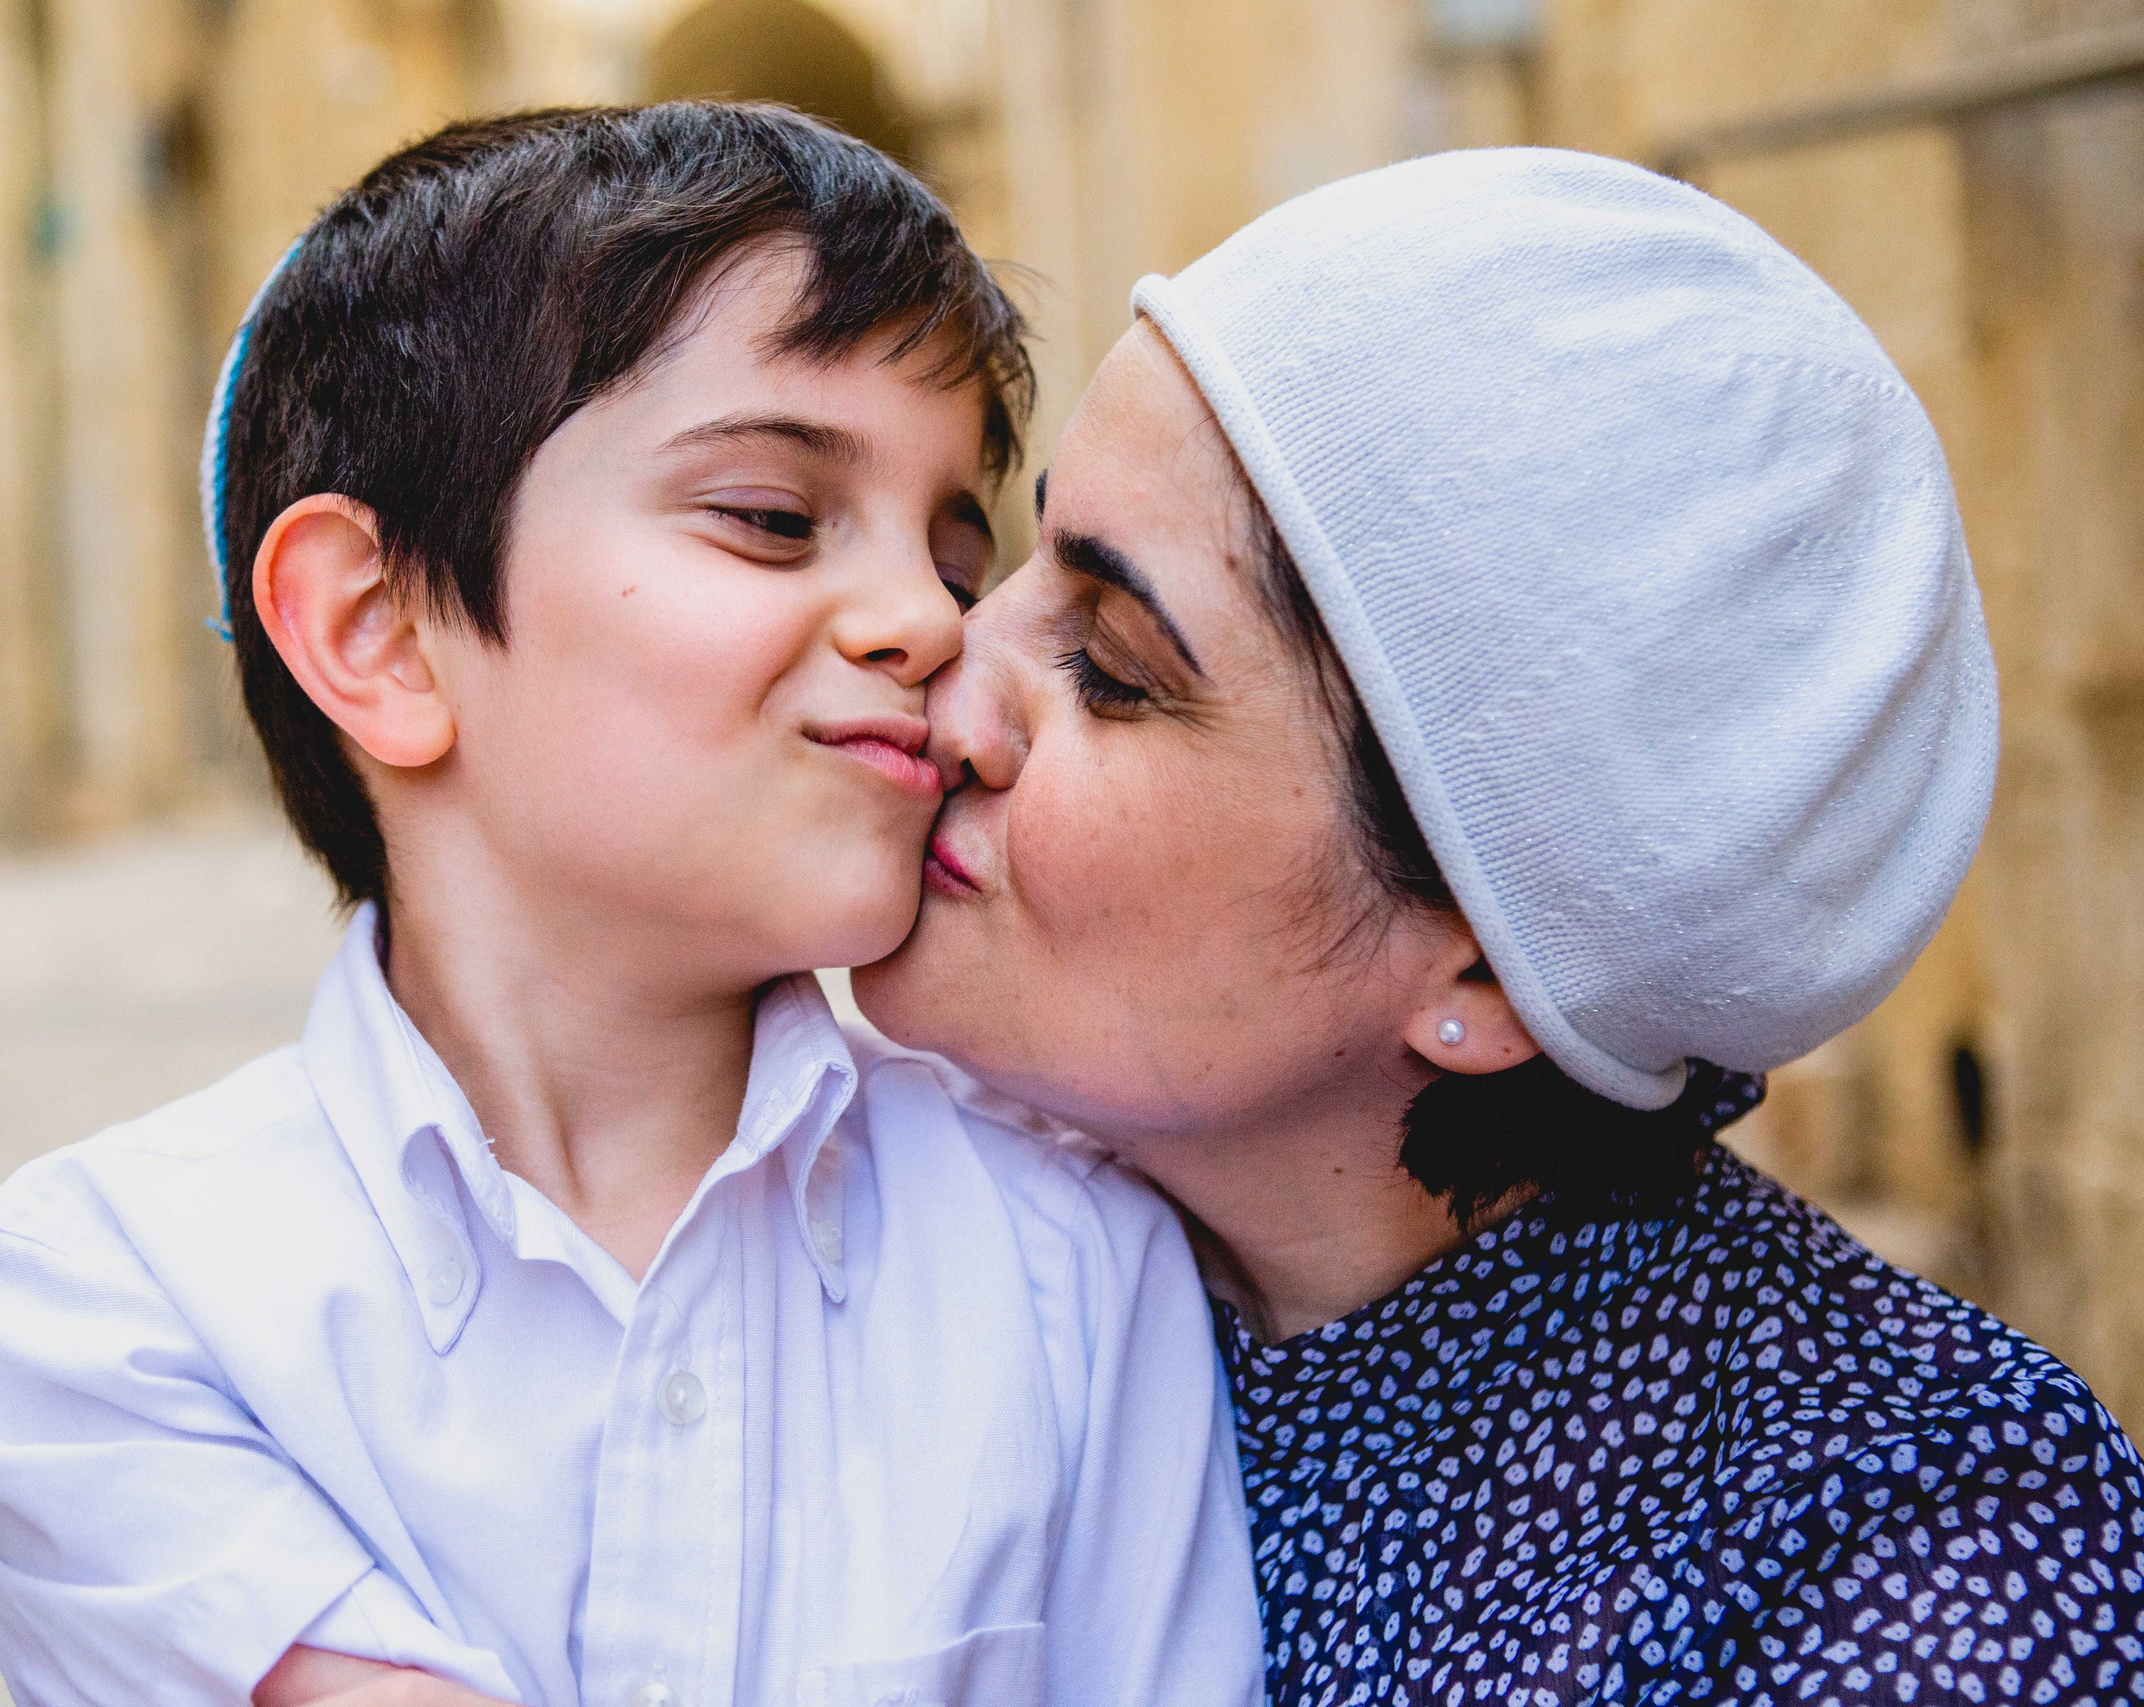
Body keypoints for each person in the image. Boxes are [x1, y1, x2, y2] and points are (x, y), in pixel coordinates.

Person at [0, 106, 1261, 1707]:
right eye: (772, 516)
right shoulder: (101, 1310)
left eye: (957, 560)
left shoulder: (1077, 1263)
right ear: (380, 632)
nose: (925, 622)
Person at [857, 147, 2144, 1705]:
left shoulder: (1906, 1557)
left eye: (1115, 666)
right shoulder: (829, 1206)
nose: (946, 660)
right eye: (1009, 554)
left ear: (1479, 967)